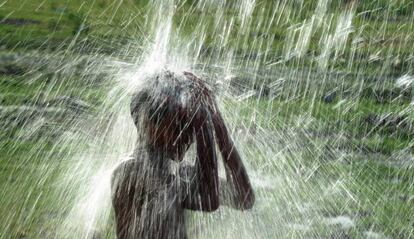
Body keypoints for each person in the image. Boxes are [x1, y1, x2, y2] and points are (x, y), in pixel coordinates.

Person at [111, 70, 255, 239]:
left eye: (190, 126)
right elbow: (208, 199)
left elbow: (243, 197)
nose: (190, 136)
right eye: (181, 126)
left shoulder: (179, 173)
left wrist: (218, 124)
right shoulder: (130, 171)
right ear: (149, 125)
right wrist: (204, 121)